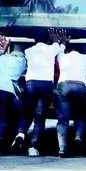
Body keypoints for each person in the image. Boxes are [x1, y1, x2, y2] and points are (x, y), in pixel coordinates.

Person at [11, 29, 66, 157]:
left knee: (27, 112)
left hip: (31, 84)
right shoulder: (52, 48)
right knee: (39, 117)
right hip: (46, 85)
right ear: (48, 40)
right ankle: (33, 147)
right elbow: (61, 49)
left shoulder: (28, 51)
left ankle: (21, 134)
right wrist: (59, 41)